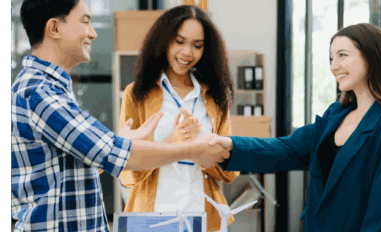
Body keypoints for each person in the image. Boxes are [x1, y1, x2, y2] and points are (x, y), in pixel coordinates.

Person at [11, 1, 228, 231]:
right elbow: (114, 154)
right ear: (54, 28)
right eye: (85, 21)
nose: (93, 33)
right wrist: (191, 148)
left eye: (197, 45)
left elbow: (69, 173)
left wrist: (126, 143)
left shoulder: (51, 88)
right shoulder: (39, 93)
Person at [209, 23, 381, 231]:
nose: (333, 66)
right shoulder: (335, 114)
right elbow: (288, 148)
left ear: (372, 57)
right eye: (331, 58)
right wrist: (228, 146)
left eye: (342, 55)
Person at [118, 5, 240, 232]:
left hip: (204, 217)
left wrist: (202, 153)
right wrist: (171, 145)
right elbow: (126, 172)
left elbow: (231, 171)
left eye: (197, 46)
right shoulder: (136, 94)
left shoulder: (216, 98)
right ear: (163, 41)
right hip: (151, 218)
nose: (187, 53)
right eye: (179, 41)